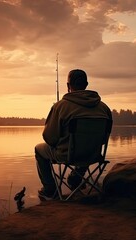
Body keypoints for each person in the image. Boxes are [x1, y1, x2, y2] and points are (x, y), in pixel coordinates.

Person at [35, 69, 112, 200]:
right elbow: (104, 139)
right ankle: (76, 178)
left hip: (67, 155)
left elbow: (49, 138)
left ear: (68, 86)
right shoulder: (104, 108)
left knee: (38, 149)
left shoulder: (61, 106)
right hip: (93, 154)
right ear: (86, 84)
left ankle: (50, 190)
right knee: (87, 144)